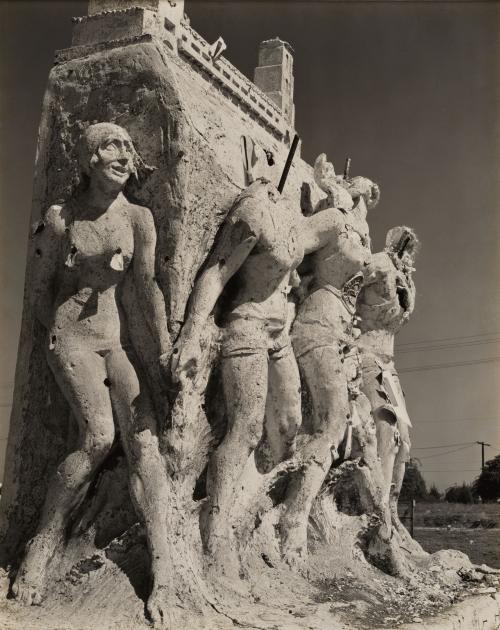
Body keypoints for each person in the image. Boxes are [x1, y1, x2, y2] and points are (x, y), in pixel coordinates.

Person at [13, 123, 171, 625]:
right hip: (73, 338)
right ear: (89, 158)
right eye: (112, 148)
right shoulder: (62, 219)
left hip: (115, 340)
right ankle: (42, 544)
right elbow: (37, 292)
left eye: (129, 149)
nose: (124, 158)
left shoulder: (139, 218)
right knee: (99, 437)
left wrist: (167, 349)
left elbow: (146, 291)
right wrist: (57, 340)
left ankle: (165, 566)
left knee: (144, 439)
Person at [280, 153, 381, 565]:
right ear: (345, 191)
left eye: (370, 202)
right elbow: (290, 245)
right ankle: (293, 517)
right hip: (317, 324)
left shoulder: (357, 237)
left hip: (343, 334)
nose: (366, 204)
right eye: (362, 195)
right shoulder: (334, 222)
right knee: (331, 422)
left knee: (350, 433)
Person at [356, 226, 420, 550]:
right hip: (366, 354)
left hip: (389, 366)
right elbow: (349, 289)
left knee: (404, 443)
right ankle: (376, 513)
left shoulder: (404, 279)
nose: (409, 252)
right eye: (405, 244)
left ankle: (391, 512)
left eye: (412, 248)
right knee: (385, 426)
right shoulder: (378, 263)